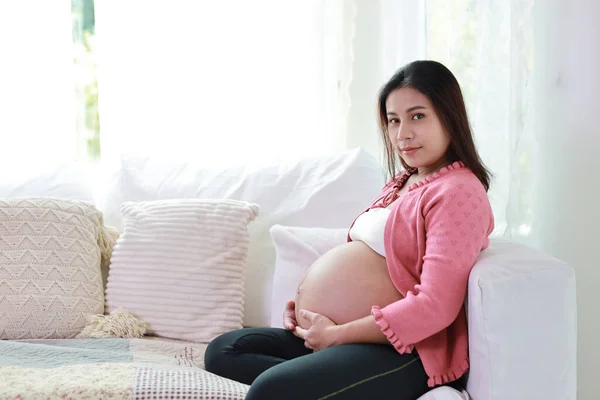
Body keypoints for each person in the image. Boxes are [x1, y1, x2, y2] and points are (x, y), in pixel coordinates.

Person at [204, 60, 495, 399]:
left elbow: (436, 306)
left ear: (449, 116)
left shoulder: (459, 190)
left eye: (418, 116)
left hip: (405, 351)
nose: (403, 134)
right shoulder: (403, 182)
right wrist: (308, 312)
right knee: (224, 350)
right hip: (345, 337)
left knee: (269, 391)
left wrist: (336, 334)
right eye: (393, 120)